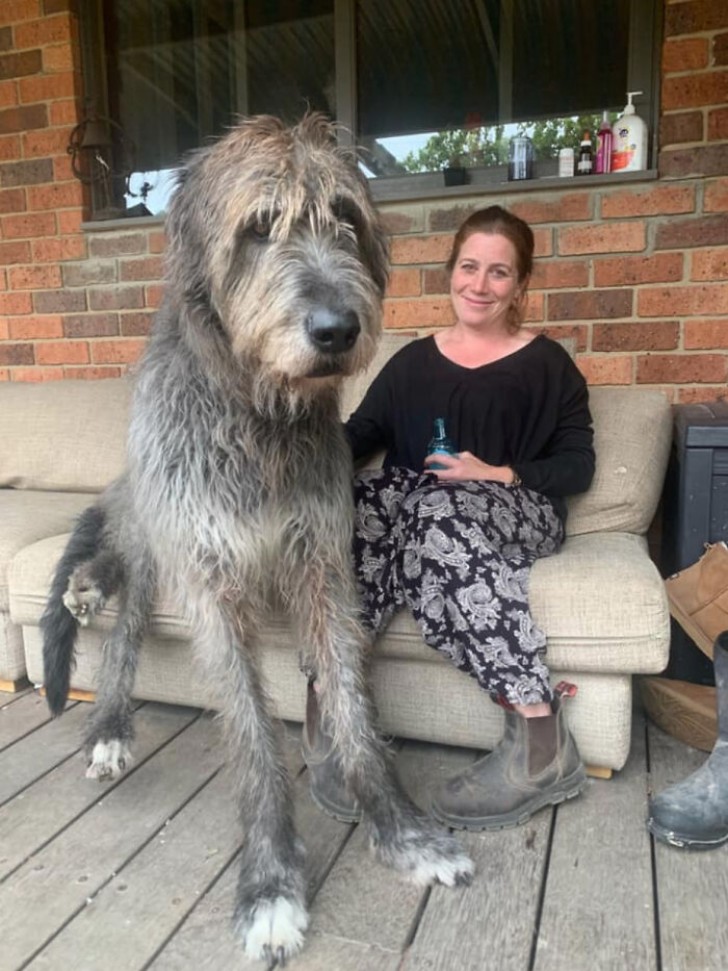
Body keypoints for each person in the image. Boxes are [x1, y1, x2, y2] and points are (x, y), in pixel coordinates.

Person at [303, 205, 596, 830]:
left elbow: (577, 466)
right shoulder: (412, 362)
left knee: (430, 509)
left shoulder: (549, 366)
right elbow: (361, 435)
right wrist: (293, 453)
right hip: (423, 511)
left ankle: (540, 742)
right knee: (360, 502)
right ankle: (331, 705)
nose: (479, 285)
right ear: (450, 271)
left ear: (520, 285)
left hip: (517, 507)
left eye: (498, 273)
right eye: (469, 267)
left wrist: (495, 472)